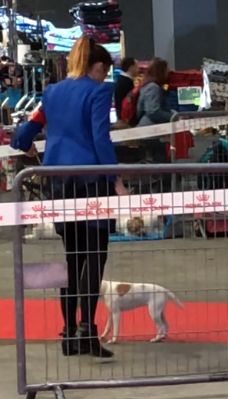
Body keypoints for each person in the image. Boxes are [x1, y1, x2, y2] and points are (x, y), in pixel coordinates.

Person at [11, 37, 128, 358]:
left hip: (58, 184)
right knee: (94, 255)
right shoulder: (99, 91)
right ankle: (88, 331)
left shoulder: (52, 93)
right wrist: (116, 180)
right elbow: (100, 138)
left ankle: (68, 333)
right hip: (91, 182)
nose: (104, 77)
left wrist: (27, 146)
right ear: (98, 66)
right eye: (105, 71)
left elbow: (22, 136)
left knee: (72, 257)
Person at [136, 58, 172, 126]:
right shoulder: (153, 87)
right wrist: (172, 117)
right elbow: (153, 111)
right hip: (149, 127)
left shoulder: (147, 85)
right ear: (161, 72)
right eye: (167, 71)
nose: (168, 73)